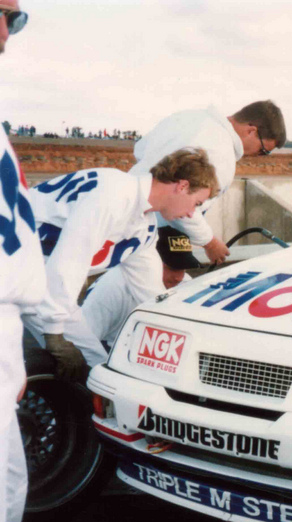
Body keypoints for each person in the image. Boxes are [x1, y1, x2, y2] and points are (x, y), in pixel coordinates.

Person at [0, 5, 87, 522]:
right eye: (5, 16)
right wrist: (49, 331)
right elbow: (174, 259)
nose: (8, 32)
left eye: (16, 19)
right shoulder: (133, 201)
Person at [23, 149, 219, 380]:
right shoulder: (116, 193)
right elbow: (71, 259)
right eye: (196, 203)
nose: (191, 213)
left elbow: (151, 296)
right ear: (182, 186)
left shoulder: (143, 227)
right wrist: (54, 333)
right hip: (13, 261)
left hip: (32, 273)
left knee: (97, 367)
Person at [129, 100, 286, 264]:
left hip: (135, 210)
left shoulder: (186, 116)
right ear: (251, 131)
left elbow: (140, 150)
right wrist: (210, 243)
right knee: (171, 278)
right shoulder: (221, 156)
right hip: (162, 224)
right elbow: (183, 209)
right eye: (263, 150)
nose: (259, 156)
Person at [81, 226, 198, 349]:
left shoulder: (185, 282)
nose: (178, 277)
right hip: (112, 351)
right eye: (172, 268)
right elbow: (85, 341)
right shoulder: (111, 288)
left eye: (183, 268)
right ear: (149, 261)